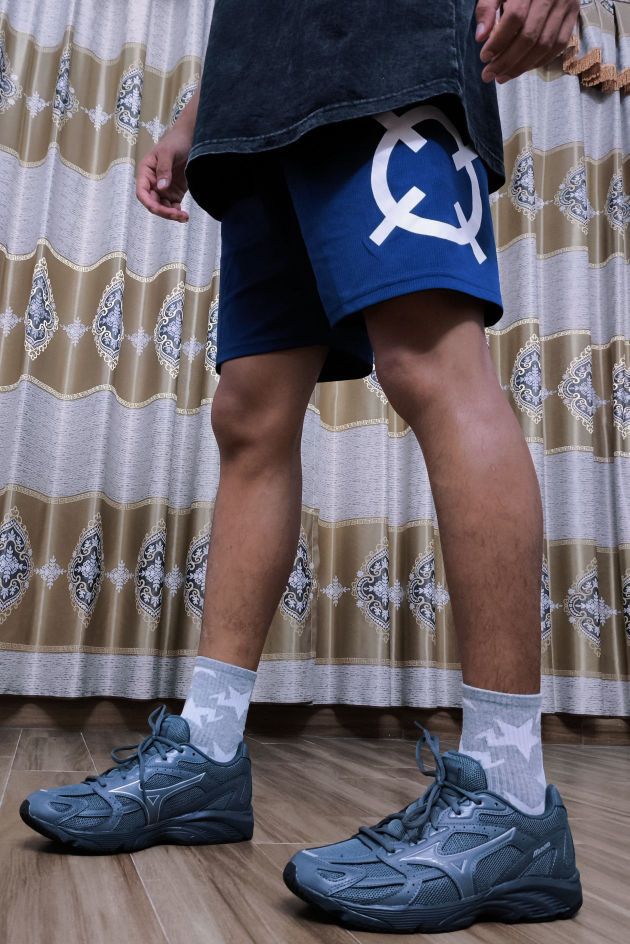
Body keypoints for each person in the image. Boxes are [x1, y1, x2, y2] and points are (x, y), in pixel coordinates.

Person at [20, 0, 584, 933]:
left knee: (430, 361)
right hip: (259, 104)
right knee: (249, 413)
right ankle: (208, 751)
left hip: (387, 49)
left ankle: (510, 791)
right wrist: (198, 114)